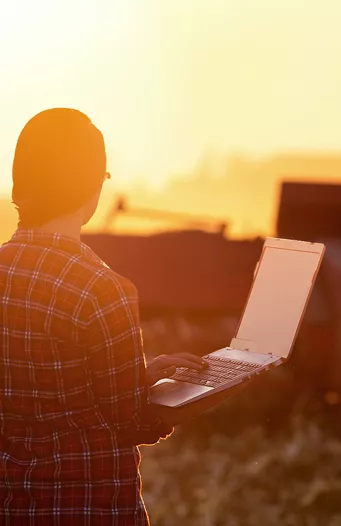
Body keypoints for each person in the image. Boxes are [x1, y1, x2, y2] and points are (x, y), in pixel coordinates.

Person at [0, 108, 244, 525]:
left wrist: (140, 374)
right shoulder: (102, 290)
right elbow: (133, 422)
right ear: (92, 188)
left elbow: (50, 391)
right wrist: (227, 382)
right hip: (87, 509)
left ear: (20, 185)